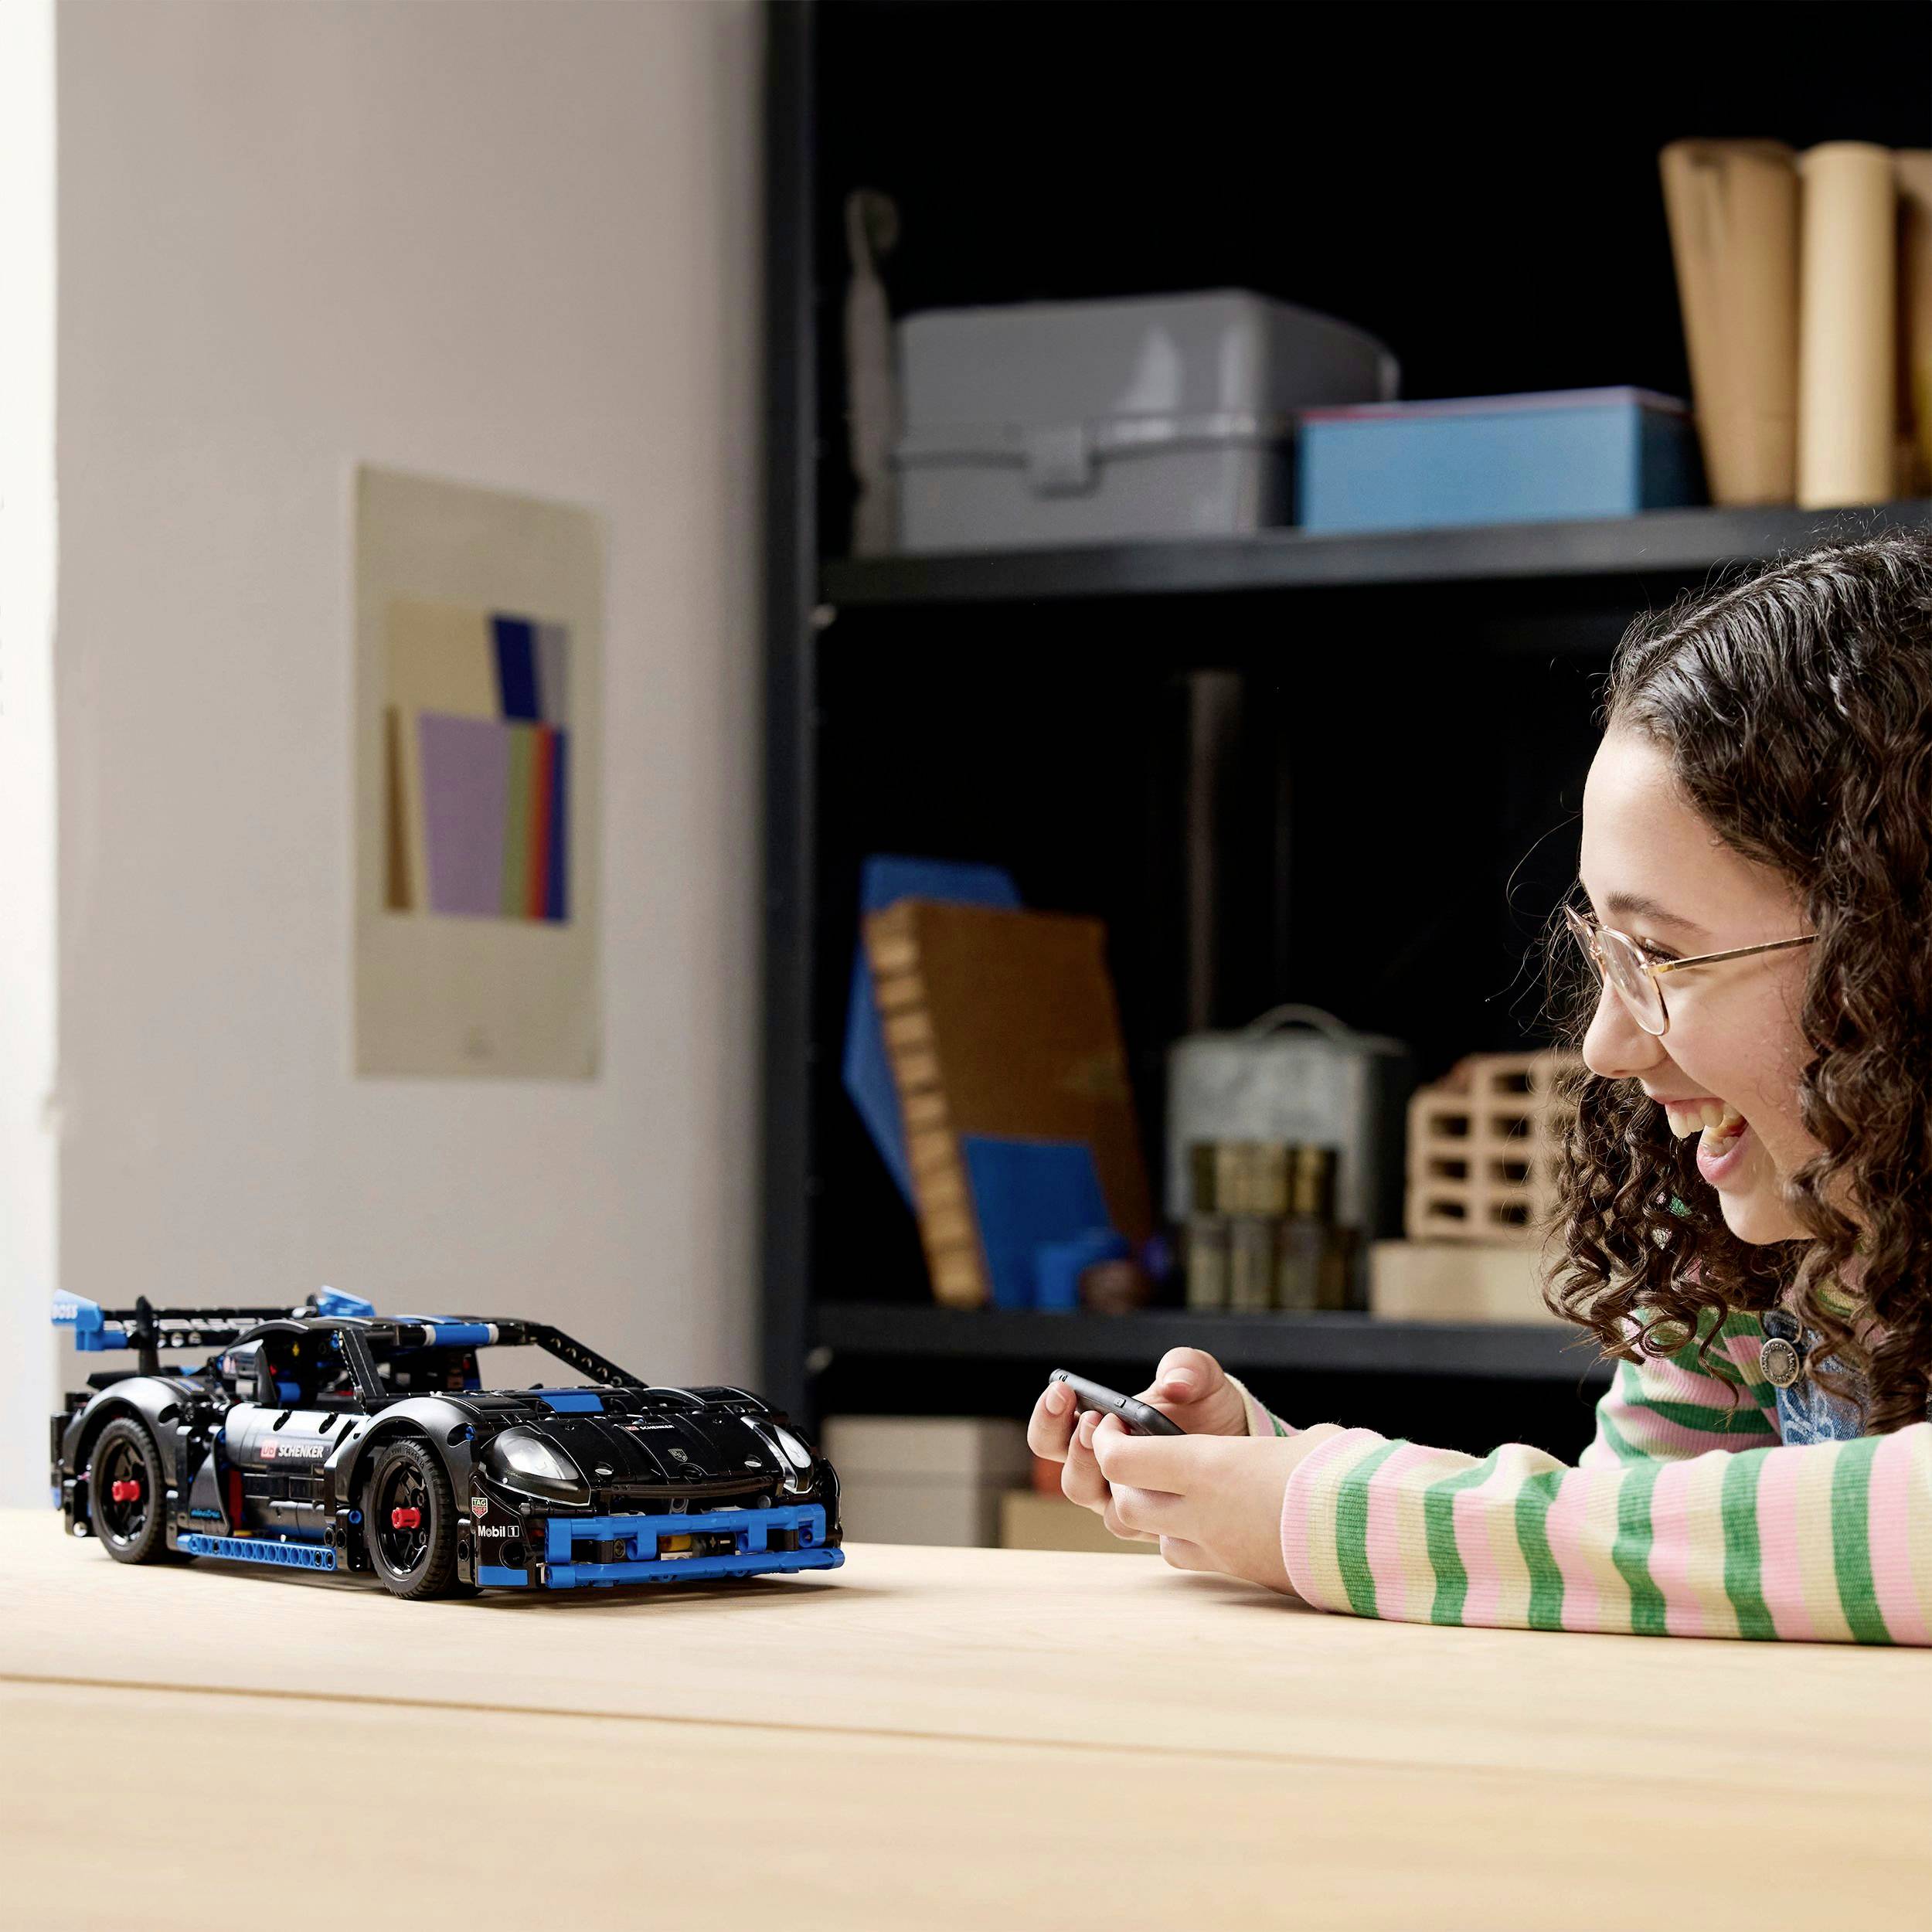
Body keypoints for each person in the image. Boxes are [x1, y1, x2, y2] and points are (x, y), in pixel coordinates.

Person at [1029, 532, 1932, 1644]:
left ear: (1897, 957)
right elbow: (1638, 1551)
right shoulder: (1733, 1244)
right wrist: (1257, 1482)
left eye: (1664, 957)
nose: (1606, 1044)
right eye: (1607, 957)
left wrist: (1336, 1513)